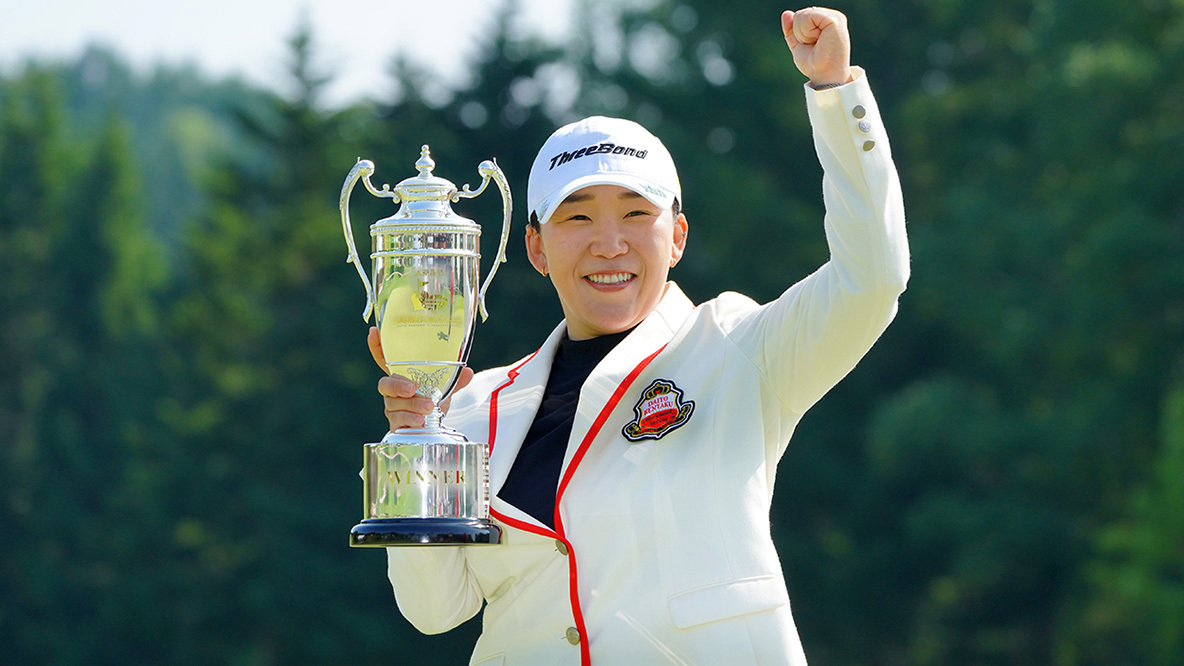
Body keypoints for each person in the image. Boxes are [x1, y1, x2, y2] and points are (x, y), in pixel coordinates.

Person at [368, 7, 909, 664]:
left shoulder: (738, 350)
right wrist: (419, 437)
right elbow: (434, 611)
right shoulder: (475, 407)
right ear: (536, 247)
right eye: (577, 218)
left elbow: (871, 279)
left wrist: (835, 92)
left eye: (634, 213)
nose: (609, 243)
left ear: (676, 236)